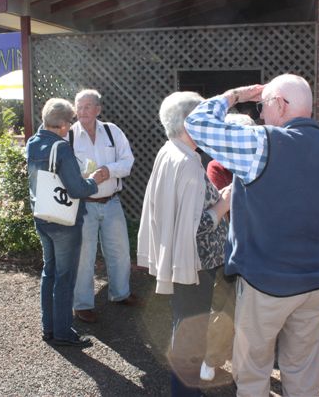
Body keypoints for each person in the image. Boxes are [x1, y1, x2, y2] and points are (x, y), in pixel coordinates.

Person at [184, 74, 319, 396]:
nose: (261, 114)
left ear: (279, 104)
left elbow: (196, 124)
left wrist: (235, 95)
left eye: (263, 106)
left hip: (266, 284)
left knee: (252, 371)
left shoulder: (262, 143)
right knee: (303, 369)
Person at [137, 91, 230, 396]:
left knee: (186, 325)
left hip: (184, 259)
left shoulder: (170, 150)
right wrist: (223, 205)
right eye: (204, 119)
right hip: (195, 263)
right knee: (192, 330)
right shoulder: (189, 162)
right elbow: (195, 227)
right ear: (189, 122)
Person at [26, 98, 105, 347]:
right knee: (65, 277)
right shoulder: (61, 148)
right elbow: (77, 189)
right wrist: (94, 180)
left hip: (42, 215)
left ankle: (48, 328)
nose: (70, 127)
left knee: (49, 272)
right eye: (70, 122)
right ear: (61, 125)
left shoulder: (33, 142)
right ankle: (62, 332)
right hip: (63, 222)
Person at [70, 89, 138, 324]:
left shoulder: (112, 131)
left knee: (120, 251)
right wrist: (82, 178)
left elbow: (127, 162)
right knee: (83, 257)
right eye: (79, 107)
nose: (82, 111)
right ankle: (82, 305)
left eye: (87, 106)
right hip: (82, 205)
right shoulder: (69, 136)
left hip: (111, 202)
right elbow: (62, 171)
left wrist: (108, 171)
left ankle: (121, 294)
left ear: (98, 109)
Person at [200, 113, 255, 383]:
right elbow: (228, 205)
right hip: (232, 247)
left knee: (254, 308)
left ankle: (246, 363)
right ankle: (211, 358)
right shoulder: (217, 166)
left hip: (260, 246)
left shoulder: (262, 162)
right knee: (227, 305)